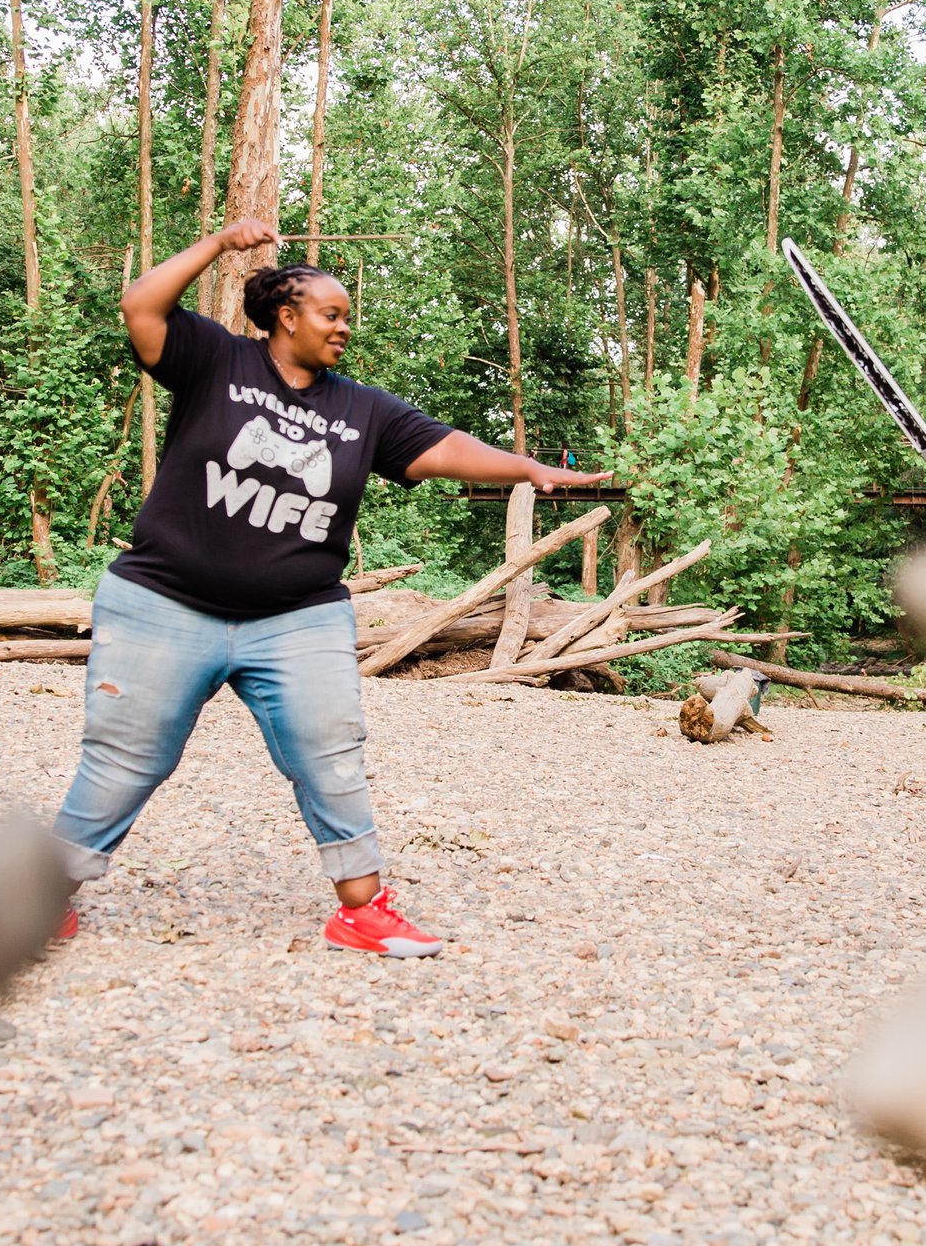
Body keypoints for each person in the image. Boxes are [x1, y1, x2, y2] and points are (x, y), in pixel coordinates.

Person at [50, 216, 607, 956]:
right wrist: (219, 244)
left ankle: (363, 909)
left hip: (296, 617)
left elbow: (444, 445)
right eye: (331, 314)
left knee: (329, 752)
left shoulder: (361, 409)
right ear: (287, 315)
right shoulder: (216, 361)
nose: (344, 328)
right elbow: (141, 305)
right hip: (164, 603)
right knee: (126, 759)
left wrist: (528, 468)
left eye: (348, 318)